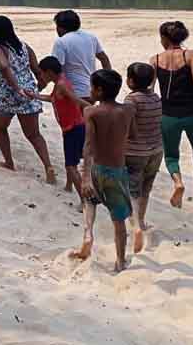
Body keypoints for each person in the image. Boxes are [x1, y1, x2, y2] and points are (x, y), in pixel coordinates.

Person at [71, 69, 135, 273]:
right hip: (117, 170)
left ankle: (88, 234)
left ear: (98, 90)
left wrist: (85, 178)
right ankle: (120, 261)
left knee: (90, 202)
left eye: (91, 87)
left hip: (96, 168)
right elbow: (132, 135)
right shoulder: (128, 110)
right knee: (119, 220)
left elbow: (88, 146)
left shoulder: (91, 112)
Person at [150, 21, 193, 218]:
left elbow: (149, 90)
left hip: (167, 115)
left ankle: (178, 182)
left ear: (164, 38)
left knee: (171, 156)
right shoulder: (191, 55)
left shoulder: (155, 59)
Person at [0, 16, 55, 183]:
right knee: (34, 135)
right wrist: (37, 88)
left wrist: (17, 88)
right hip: (28, 95)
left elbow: (4, 67)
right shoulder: (24, 47)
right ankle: (48, 166)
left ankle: (9, 162)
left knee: (1, 129)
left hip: (6, 96)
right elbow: (37, 70)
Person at [33, 56, 90, 195]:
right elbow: (52, 98)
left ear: (50, 72)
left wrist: (93, 109)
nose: (40, 76)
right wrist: (34, 96)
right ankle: (69, 186)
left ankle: (84, 200)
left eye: (41, 73)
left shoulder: (61, 85)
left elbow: (76, 99)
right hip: (71, 128)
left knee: (71, 166)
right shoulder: (60, 81)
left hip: (74, 128)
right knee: (72, 160)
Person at [124, 63, 163, 253]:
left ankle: (136, 227)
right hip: (156, 150)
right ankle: (142, 220)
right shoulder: (155, 98)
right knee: (146, 188)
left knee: (133, 191)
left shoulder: (131, 100)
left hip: (134, 152)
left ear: (130, 81)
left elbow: (127, 125)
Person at [47, 10, 112, 100]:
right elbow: (104, 59)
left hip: (73, 92)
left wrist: (41, 85)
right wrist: (108, 82)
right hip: (91, 91)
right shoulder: (91, 37)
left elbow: (56, 70)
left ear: (61, 28)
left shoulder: (61, 42)